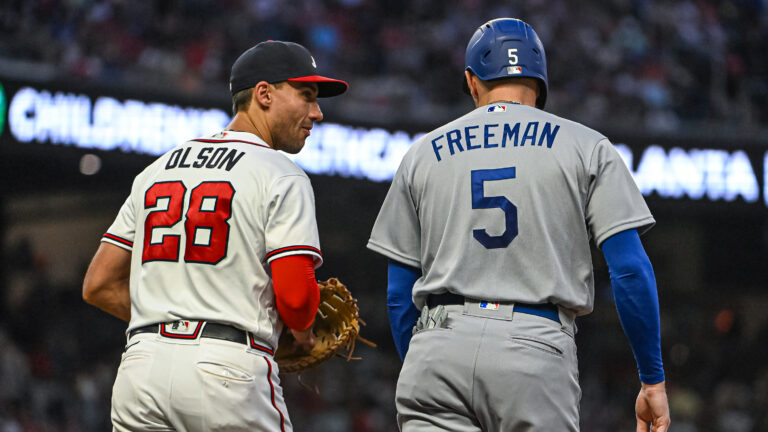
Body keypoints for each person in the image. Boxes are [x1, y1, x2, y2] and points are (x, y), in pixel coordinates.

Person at [367, 18, 670, 432]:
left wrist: (425, 361)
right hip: (534, 346)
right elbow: (630, 270)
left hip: (437, 345)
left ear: (472, 81)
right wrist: (652, 378)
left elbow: (399, 295)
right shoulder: (587, 147)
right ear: (540, 83)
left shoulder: (422, 154)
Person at [82, 40, 347, 431]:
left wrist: (169, 324)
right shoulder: (281, 173)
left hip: (141, 368)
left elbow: (98, 284)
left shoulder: (158, 169)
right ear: (264, 94)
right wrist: (301, 332)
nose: (317, 112)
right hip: (227, 371)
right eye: (306, 96)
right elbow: (295, 299)